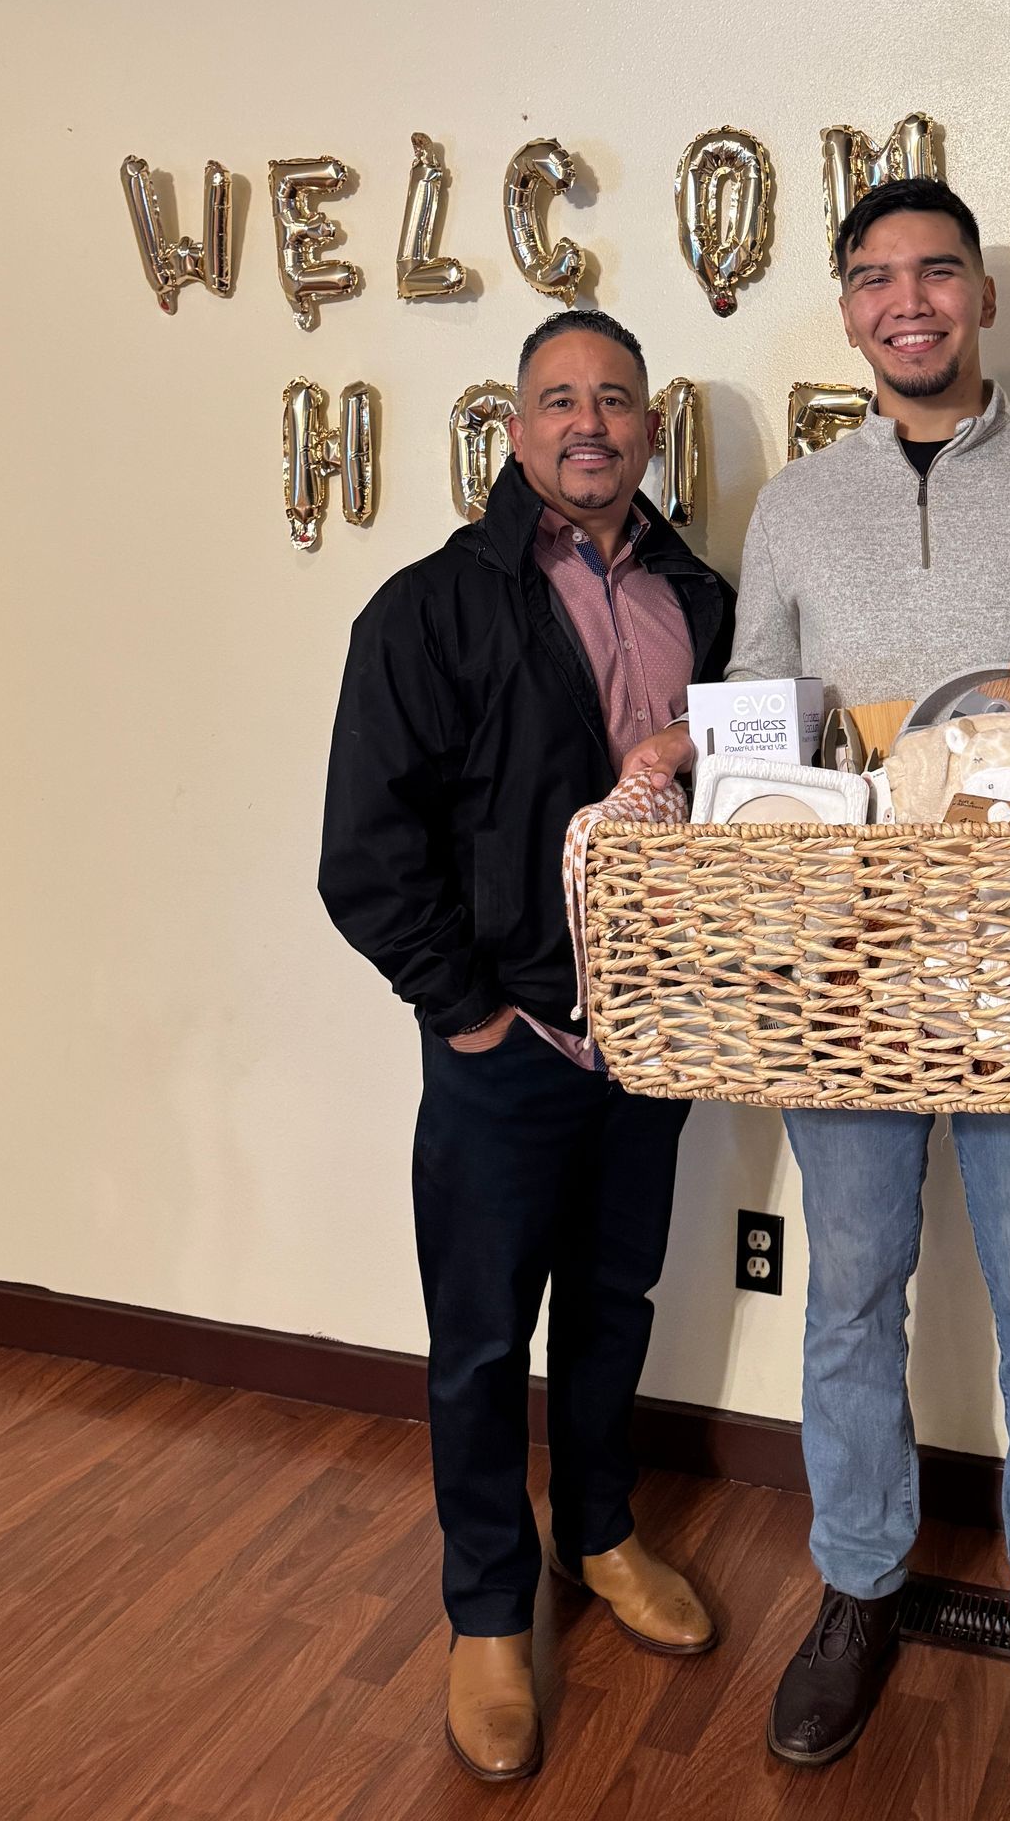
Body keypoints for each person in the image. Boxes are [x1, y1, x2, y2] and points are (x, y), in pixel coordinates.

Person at [629, 178, 1010, 1820]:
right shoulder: (800, 509)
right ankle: (860, 1586)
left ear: (985, 300)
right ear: (850, 310)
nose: (908, 301)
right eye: (875, 278)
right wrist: (692, 740)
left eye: (935, 271)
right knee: (847, 1300)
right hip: (845, 977)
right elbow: (767, 710)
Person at [319, 310, 735, 1786]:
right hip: (504, 1050)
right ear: (513, 431)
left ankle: (604, 1533)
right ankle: (489, 1610)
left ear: (648, 428)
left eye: (616, 398)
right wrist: (472, 1013)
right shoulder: (431, 609)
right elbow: (363, 858)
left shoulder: (709, 600)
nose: (590, 423)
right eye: (559, 400)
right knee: (485, 1338)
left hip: (654, 1044)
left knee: (615, 1305)